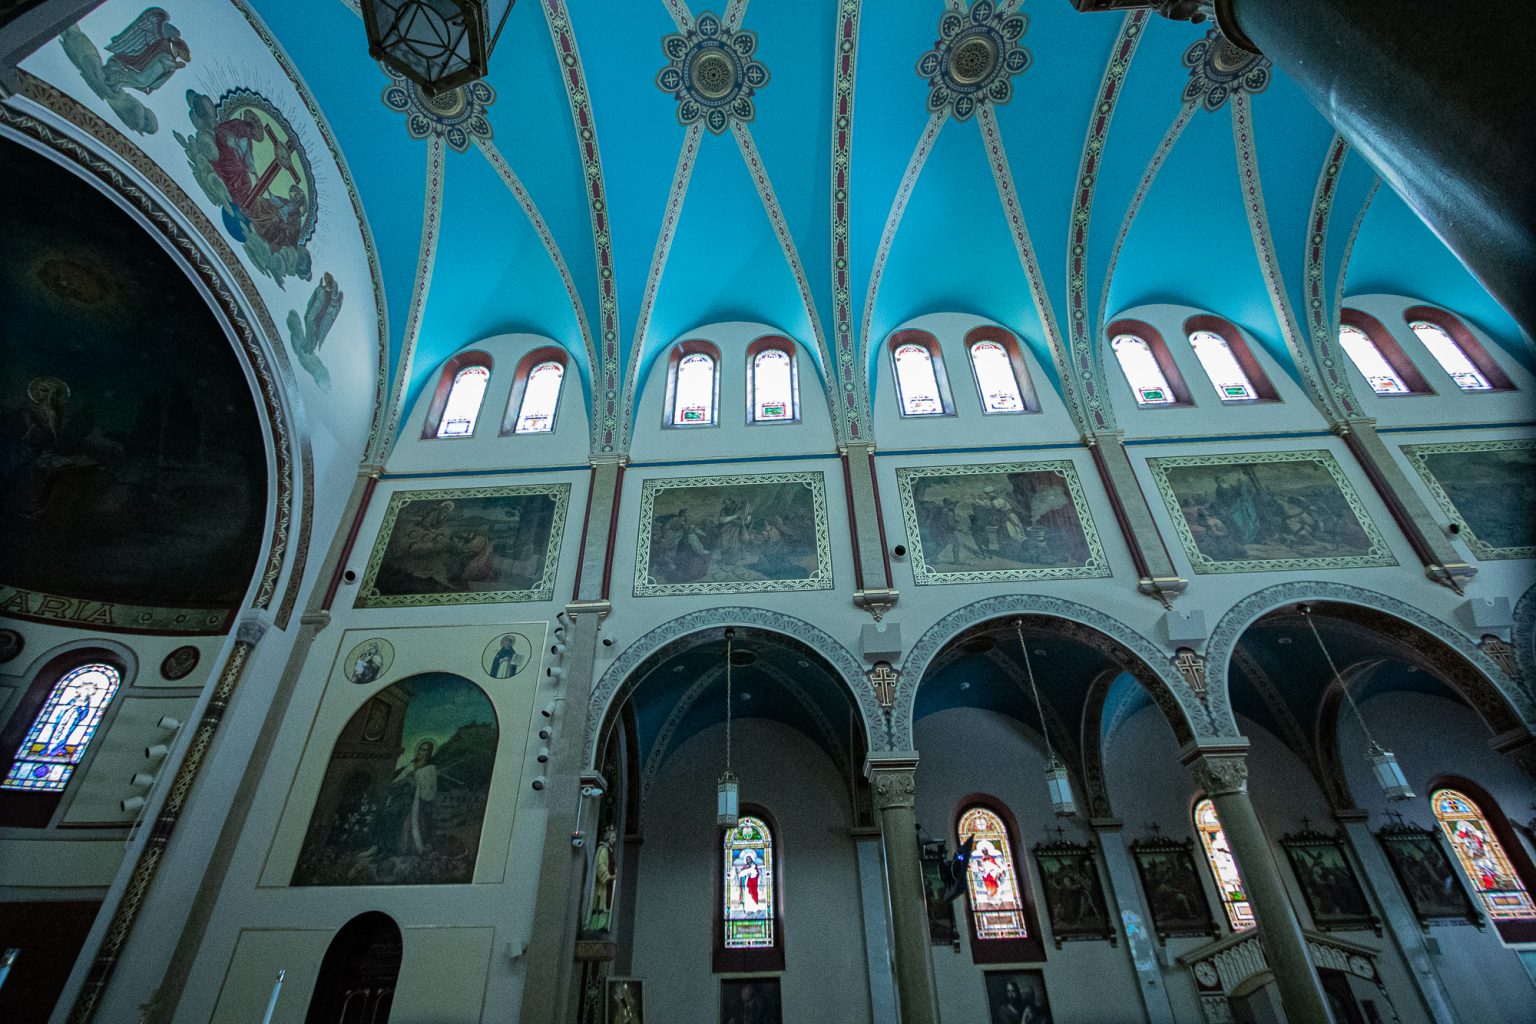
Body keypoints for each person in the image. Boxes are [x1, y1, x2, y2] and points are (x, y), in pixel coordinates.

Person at [394, 740, 438, 857]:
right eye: (420, 749)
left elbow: (430, 792)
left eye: (424, 750)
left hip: (420, 805)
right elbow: (397, 781)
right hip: (405, 801)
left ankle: (416, 849)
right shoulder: (411, 766)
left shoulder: (430, 769)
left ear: (429, 753)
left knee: (414, 824)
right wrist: (405, 781)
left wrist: (414, 781)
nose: (420, 752)